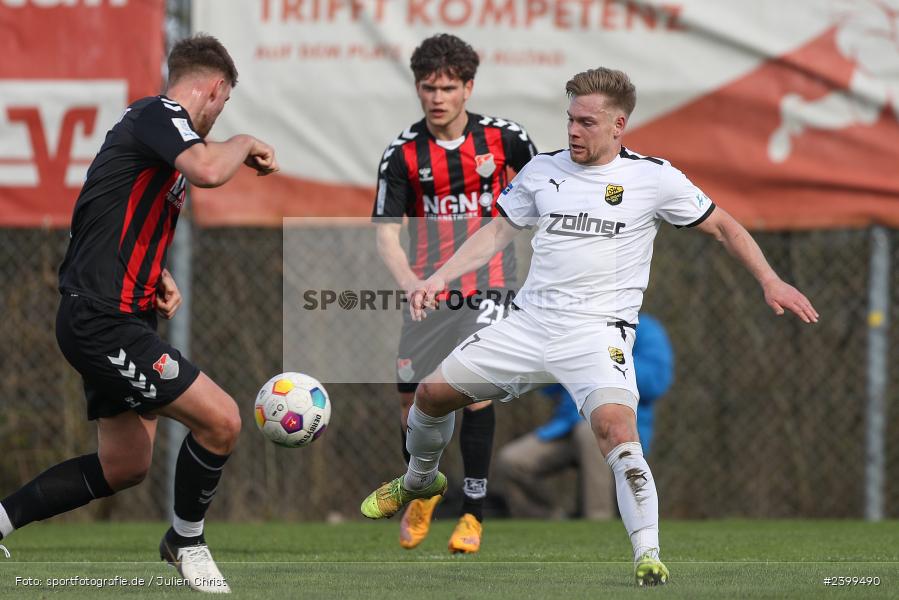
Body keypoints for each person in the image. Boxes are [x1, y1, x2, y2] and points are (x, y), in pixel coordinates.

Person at [361, 67, 818, 586]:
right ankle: (420, 479)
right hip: (528, 325)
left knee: (618, 432)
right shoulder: (542, 170)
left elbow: (724, 227)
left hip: (597, 335)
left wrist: (770, 280)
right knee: (429, 395)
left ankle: (648, 554)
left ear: (619, 125)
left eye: (587, 122)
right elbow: (496, 233)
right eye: (570, 119)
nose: (574, 131)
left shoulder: (654, 178)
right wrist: (440, 277)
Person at [0, 35, 278, 593]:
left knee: (124, 464)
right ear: (215, 89)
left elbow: (102, 208)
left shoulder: (149, 135)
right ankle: (185, 542)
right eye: (223, 104)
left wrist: (157, 275)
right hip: (103, 322)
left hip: (117, 316)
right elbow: (208, 170)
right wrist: (243, 141)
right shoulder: (159, 114)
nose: (219, 116)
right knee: (222, 420)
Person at [371, 34, 537, 554]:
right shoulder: (402, 152)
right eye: (428, 87)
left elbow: (547, 194)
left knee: (474, 389)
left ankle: (473, 513)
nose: (437, 97)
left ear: (468, 88)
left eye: (448, 88)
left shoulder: (506, 140)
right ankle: (423, 489)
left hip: (489, 287)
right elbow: (386, 234)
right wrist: (411, 284)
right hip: (426, 293)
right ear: (418, 88)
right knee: (411, 403)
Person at [495, 314, 673, 520]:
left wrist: (604, 357)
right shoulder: (578, 327)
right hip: (565, 427)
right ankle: (552, 521)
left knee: (588, 433)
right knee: (511, 461)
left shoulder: (645, 330)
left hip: (620, 430)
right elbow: (547, 387)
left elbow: (656, 382)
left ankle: (598, 520)